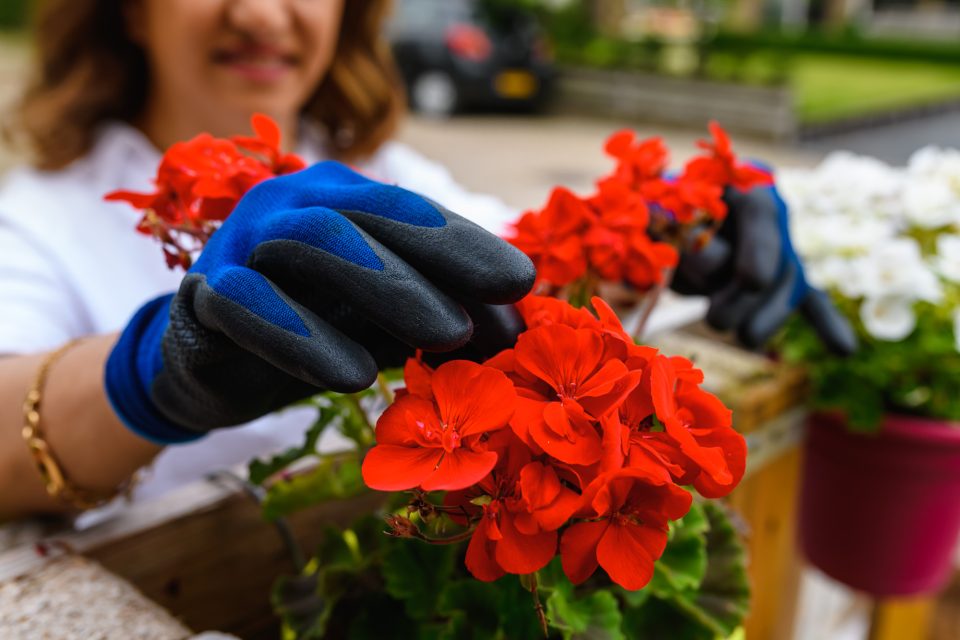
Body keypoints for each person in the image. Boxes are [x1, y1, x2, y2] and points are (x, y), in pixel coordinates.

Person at [0, 0, 851, 522]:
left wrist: (678, 221)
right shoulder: (37, 216)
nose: (261, 12)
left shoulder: (399, 176)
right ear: (129, 9)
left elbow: (531, 267)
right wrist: (150, 376)